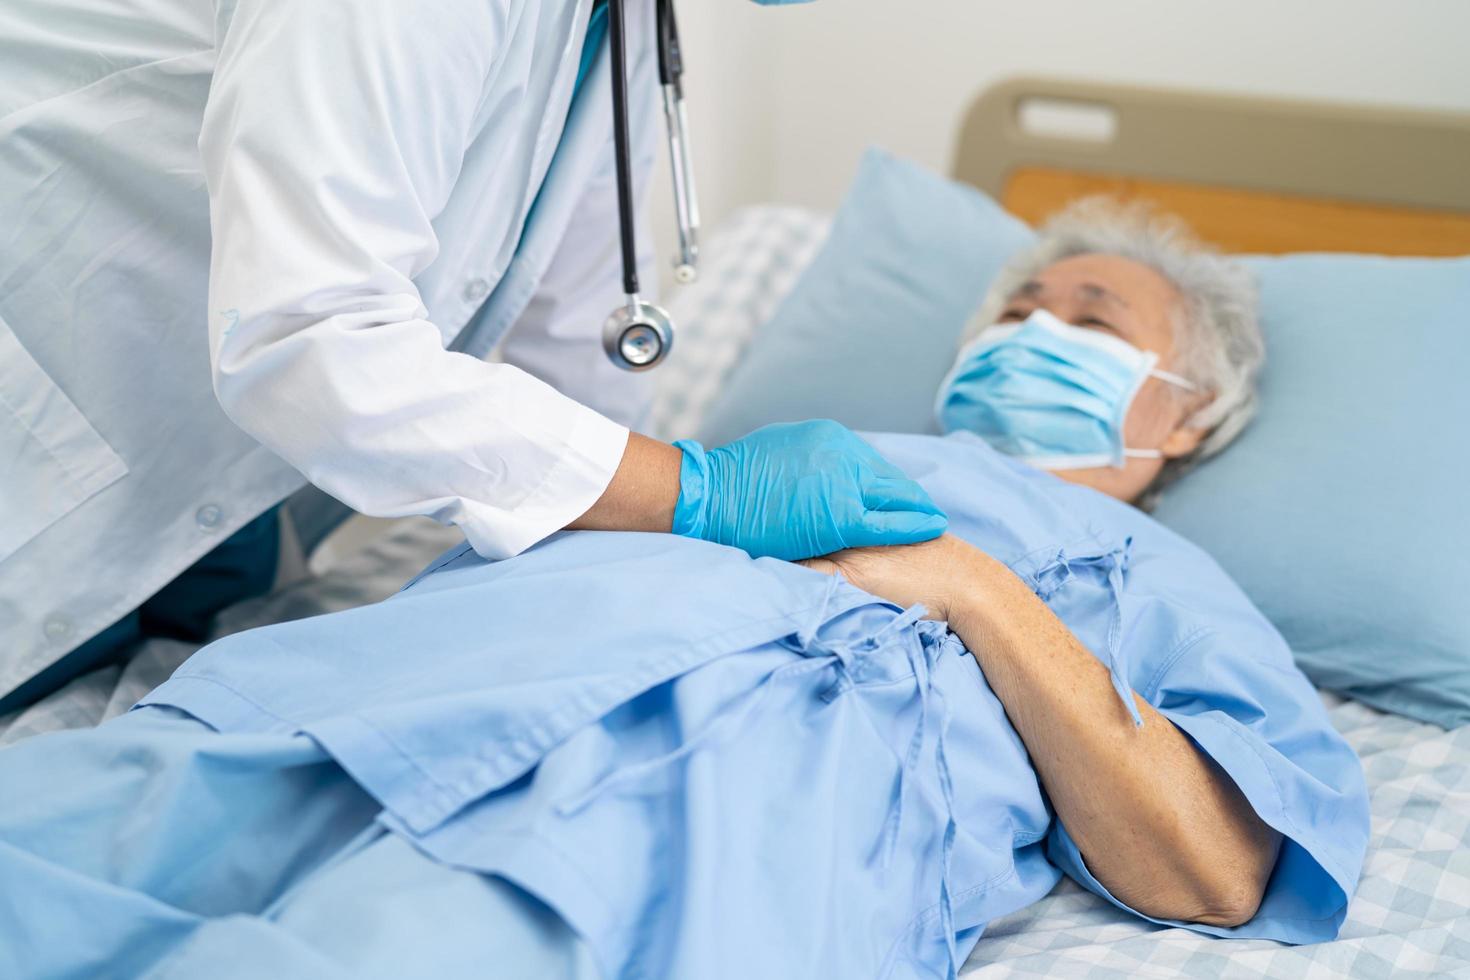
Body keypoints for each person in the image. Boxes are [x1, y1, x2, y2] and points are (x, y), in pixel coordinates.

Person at [0, 200, 1369, 979]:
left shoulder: (1171, 588)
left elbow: (1212, 870)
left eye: (1088, 319)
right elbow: (490, 520)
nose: (1030, 330)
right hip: (386, 695)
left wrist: (974, 591)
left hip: (687, 806)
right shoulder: (766, 462)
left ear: (1186, 414)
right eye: (1015, 307)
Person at [0, 0, 944, 714]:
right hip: (57, 399)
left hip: (204, 478)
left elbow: (568, 339)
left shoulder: (614, 29)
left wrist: (657, 535)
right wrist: (698, 490)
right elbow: (312, 334)